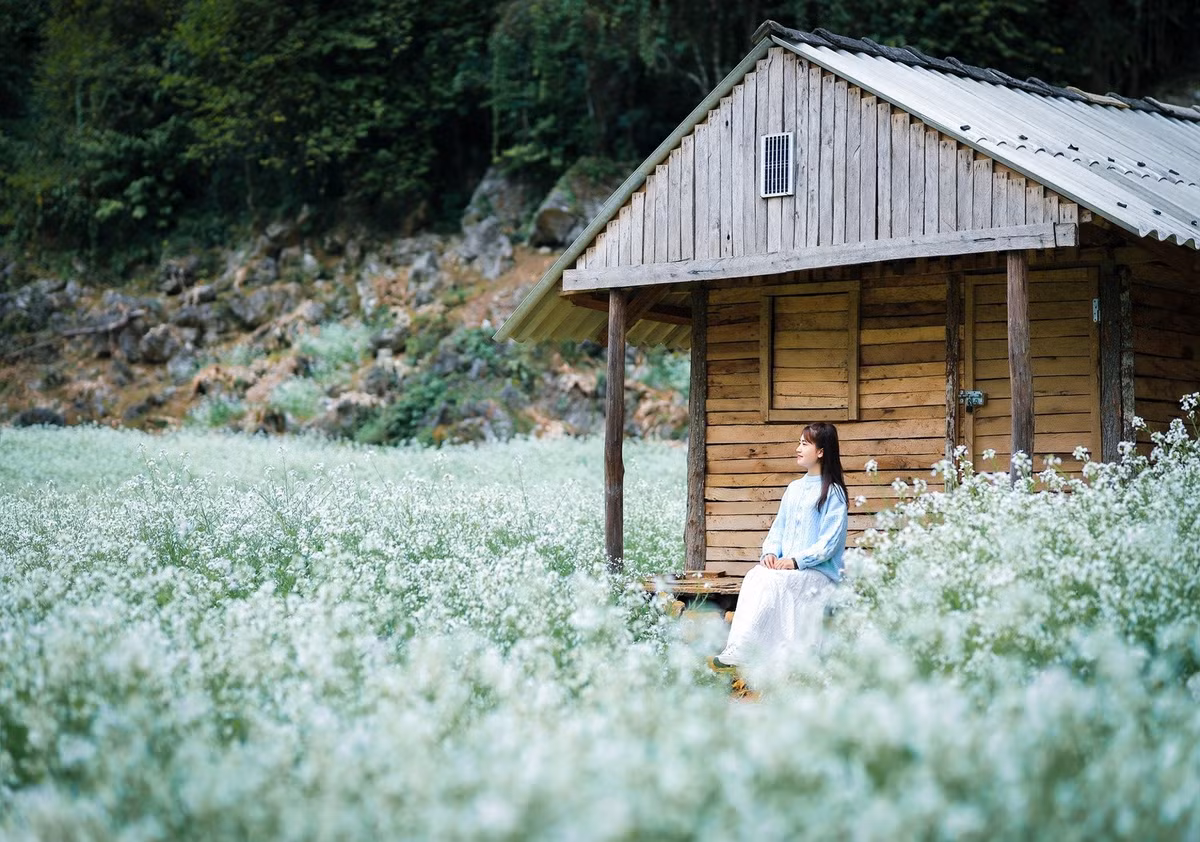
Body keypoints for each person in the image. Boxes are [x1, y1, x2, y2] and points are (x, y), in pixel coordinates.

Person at [712, 421, 848, 669]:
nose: (798, 448)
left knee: (775, 582)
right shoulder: (793, 488)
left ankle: (771, 655)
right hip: (789, 569)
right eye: (799, 442)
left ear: (821, 452)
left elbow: (829, 543)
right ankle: (741, 649)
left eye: (804, 444)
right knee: (756, 574)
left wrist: (796, 561)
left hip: (818, 574)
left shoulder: (834, 492)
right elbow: (778, 528)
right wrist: (771, 553)